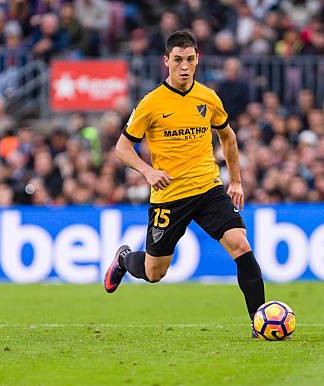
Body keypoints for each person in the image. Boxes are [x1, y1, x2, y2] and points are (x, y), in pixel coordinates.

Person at [104, 31, 265, 338]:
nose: (184, 66)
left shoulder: (208, 97)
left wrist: (237, 181)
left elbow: (228, 136)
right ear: (167, 61)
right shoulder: (151, 103)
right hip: (169, 196)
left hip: (208, 189)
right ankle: (125, 259)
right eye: (177, 60)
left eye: (189, 59)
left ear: (197, 60)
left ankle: (259, 323)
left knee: (241, 245)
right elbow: (122, 148)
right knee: (155, 272)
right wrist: (148, 171)